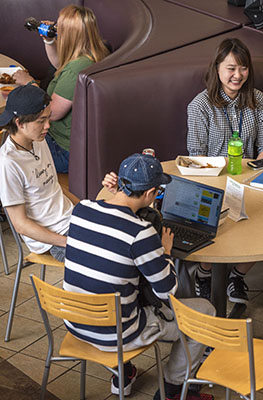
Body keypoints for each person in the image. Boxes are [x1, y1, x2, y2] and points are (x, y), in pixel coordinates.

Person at [64, 154, 215, 399]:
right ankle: (173, 390)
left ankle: (122, 372)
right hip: (116, 334)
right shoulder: (140, 232)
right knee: (204, 313)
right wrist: (165, 251)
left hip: (75, 321)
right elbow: (167, 291)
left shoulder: (82, 209)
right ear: (151, 193)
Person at [186, 38, 263, 304]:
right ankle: (204, 275)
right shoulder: (200, 105)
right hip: (213, 181)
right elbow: (196, 155)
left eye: (244, 68)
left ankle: (236, 275)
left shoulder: (258, 99)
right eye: (231, 68)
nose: (238, 75)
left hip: (250, 179)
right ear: (217, 69)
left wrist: (253, 179)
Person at [13, 5, 109, 173]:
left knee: (9, 133)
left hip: (62, 150)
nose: (56, 28)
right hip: (67, 144)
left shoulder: (78, 68)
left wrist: (28, 83)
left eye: (60, 27)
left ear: (70, 36)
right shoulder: (93, 53)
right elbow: (60, 65)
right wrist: (49, 40)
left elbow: (52, 112)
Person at [0, 84, 72, 261]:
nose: (48, 126)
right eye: (41, 121)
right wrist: (66, 242)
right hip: (52, 239)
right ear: (19, 123)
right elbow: (21, 225)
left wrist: (86, 207)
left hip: (70, 221)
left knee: (127, 236)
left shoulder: (39, 139)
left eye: (48, 118)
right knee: (111, 257)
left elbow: (54, 187)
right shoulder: (9, 163)